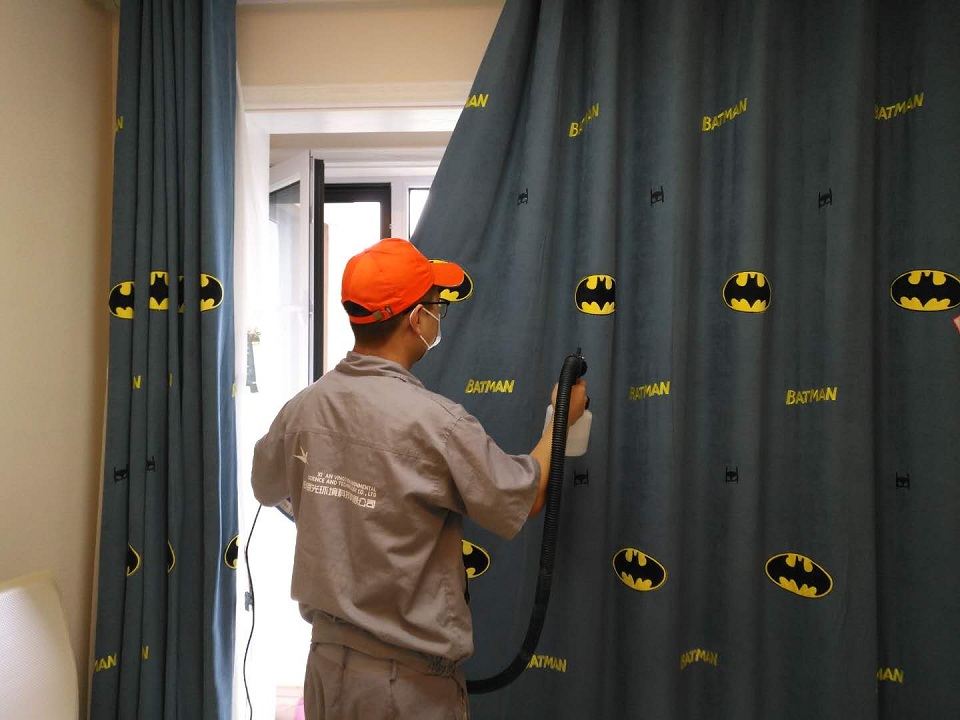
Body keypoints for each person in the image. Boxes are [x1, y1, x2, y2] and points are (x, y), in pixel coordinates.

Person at [251, 237, 587, 720]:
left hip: (326, 672)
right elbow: (524, 496)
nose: (437, 317)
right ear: (416, 319)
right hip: (405, 688)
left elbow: (265, 486)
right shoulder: (437, 424)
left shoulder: (303, 408)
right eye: (436, 307)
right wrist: (560, 422)